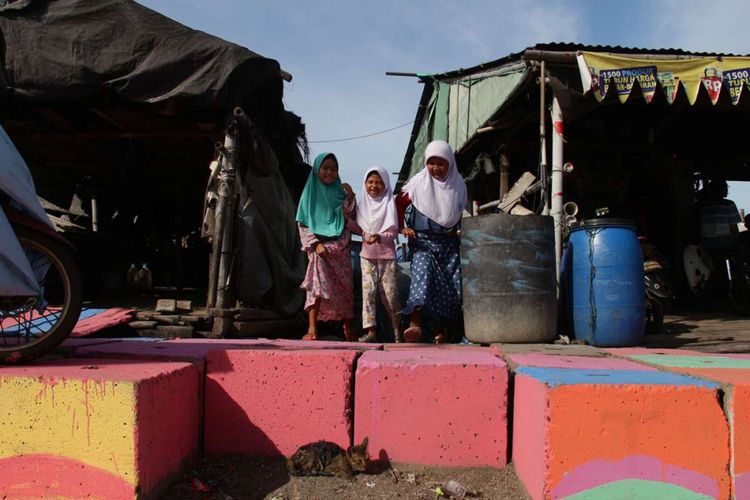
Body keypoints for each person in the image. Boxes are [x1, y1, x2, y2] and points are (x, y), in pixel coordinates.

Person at [398, 140, 467, 343]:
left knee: (448, 286)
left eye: (441, 163)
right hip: (423, 242)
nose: (435, 168)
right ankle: (415, 323)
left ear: (450, 164)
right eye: (431, 162)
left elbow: (460, 214)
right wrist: (403, 227)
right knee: (422, 273)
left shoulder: (458, 186)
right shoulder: (417, 185)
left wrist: (460, 230)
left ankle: (439, 331)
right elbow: (397, 205)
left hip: (448, 245)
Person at [296, 152, 356, 341]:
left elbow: (351, 220)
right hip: (319, 249)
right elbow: (303, 223)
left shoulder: (341, 195)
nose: (329, 172)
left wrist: (351, 197)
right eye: (325, 168)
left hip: (340, 248)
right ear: (317, 170)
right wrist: (315, 244)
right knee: (315, 286)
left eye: (334, 169)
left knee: (345, 288)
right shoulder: (309, 195)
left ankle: (348, 329)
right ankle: (312, 328)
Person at [350, 166, 403, 343]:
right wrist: (347, 222)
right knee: (368, 293)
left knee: (390, 296)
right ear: (364, 183)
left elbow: (394, 232)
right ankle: (371, 332)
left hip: (387, 257)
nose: (375, 185)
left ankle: (397, 331)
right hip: (367, 256)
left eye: (380, 182)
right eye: (371, 181)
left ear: (386, 185)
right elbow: (360, 229)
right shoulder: (361, 206)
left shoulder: (389, 205)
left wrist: (379, 237)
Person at [698, 178, 741, 296]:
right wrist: (737, 242)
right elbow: (733, 227)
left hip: (707, 243)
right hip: (725, 243)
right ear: (723, 190)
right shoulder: (728, 204)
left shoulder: (703, 206)